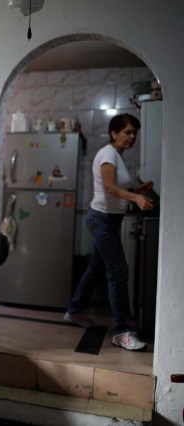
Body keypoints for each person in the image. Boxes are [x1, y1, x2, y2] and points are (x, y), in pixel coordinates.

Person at [64, 113, 154, 351]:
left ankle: (74, 310)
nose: (132, 137)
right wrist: (135, 196)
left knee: (96, 268)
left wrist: (136, 189)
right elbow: (109, 187)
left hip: (109, 220)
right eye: (128, 132)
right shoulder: (108, 154)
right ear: (114, 133)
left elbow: (117, 187)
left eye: (135, 133)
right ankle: (122, 331)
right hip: (101, 219)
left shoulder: (117, 156)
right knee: (118, 270)